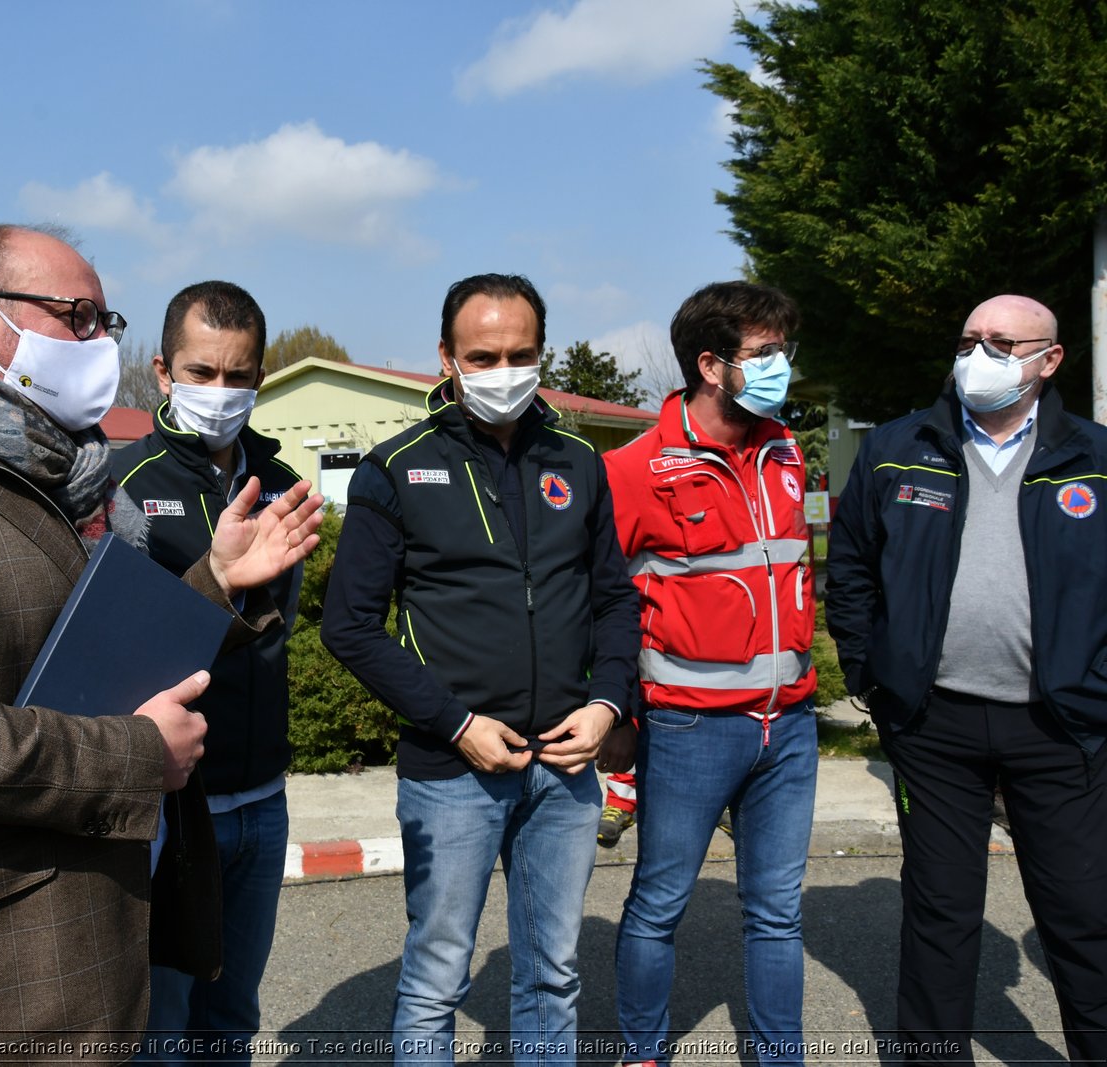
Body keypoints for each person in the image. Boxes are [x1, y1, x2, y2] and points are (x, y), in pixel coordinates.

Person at [0, 224, 322, 1057]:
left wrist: (218, 580)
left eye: (104, 324)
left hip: (106, 935)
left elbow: (102, 655)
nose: (99, 344)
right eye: (77, 317)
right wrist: (140, 756)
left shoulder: (74, 480)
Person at [321, 273, 639, 1063]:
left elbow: (617, 603)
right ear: (446, 357)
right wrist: (456, 723)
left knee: (554, 975)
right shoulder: (396, 468)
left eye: (520, 354)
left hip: (564, 766)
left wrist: (607, 706)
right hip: (450, 766)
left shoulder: (578, 461)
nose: (503, 371)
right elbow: (349, 625)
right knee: (435, 977)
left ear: (542, 353)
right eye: (483, 355)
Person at [826, 294, 1107, 1064]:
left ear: (1049, 359)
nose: (978, 354)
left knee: (1082, 912)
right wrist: (871, 673)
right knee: (941, 914)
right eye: (969, 338)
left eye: (1001, 341)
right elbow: (849, 569)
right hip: (933, 725)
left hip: (1060, 726)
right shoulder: (896, 447)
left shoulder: (1095, 457)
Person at [598, 281, 816, 1066]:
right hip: (688, 725)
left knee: (777, 914)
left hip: (788, 724)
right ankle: (644, 1053)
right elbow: (603, 599)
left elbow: (794, 567)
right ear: (710, 365)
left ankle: (778, 1056)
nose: (779, 366)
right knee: (659, 904)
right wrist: (616, 712)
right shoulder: (633, 468)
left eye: (781, 350)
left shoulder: (787, 447)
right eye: (763, 354)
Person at [113, 281, 301, 1062]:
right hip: (172, 805)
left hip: (263, 798)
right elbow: (122, 647)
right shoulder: (121, 484)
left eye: (239, 375)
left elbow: (275, 632)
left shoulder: (280, 482)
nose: (221, 393)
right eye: (202, 372)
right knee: (161, 1032)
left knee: (230, 1025)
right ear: (162, 371)